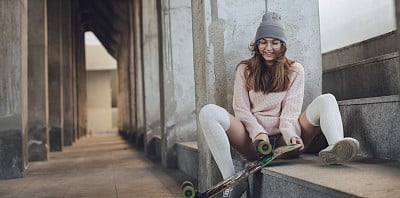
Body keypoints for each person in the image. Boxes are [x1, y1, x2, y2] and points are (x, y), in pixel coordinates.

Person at [198, 12, 360, 198]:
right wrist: (259, 135)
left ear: (282, 45)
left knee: (327, 99)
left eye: (274, 42)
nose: (268, 48)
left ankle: (336, 147)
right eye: (263, 42)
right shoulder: (245, 69)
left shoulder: (295, 70)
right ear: (257, 44)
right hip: (254, 143)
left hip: (285, 143)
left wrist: (291, 135)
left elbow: (290, 114)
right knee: (208, 112)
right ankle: (232, 180)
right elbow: (242, 111)